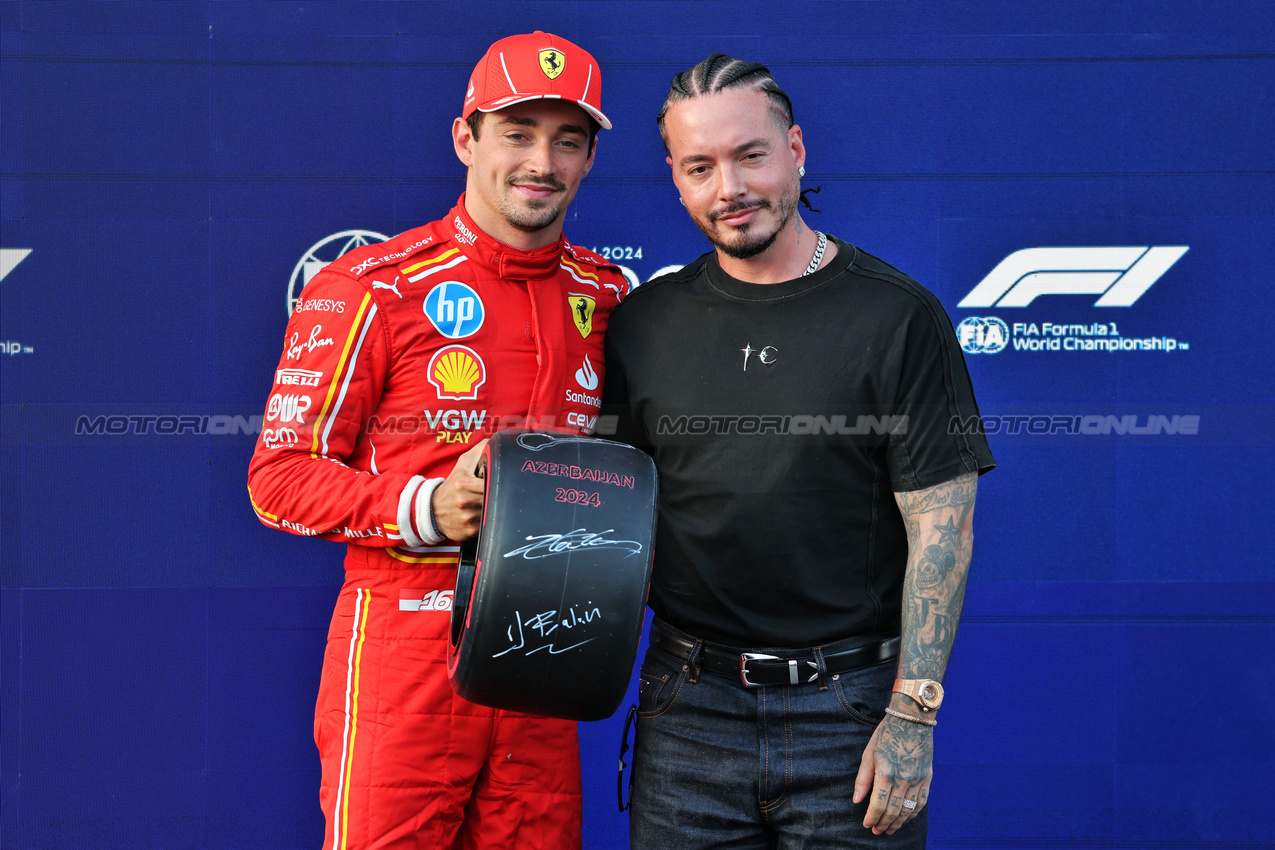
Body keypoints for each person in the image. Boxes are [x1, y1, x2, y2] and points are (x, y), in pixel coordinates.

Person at [602, 54, 995, 848]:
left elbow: (941, 529)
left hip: (850, 714)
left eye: (750, 155)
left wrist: (911, 719)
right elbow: (613, 504)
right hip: (687, 713)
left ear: (796, 150)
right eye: (699, 167)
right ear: (675, 181)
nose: (729, 190)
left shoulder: (895, 316)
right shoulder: (642, 323)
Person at [247, 31, 627, 850]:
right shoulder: (374, 287)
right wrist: (426, 505)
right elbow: (276, 478)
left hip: (545, 651)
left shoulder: (609, 296)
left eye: (568, 140)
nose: (542, 162)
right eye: (517, 134)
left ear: (590, 158)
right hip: (403, 646)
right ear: (466, 137)